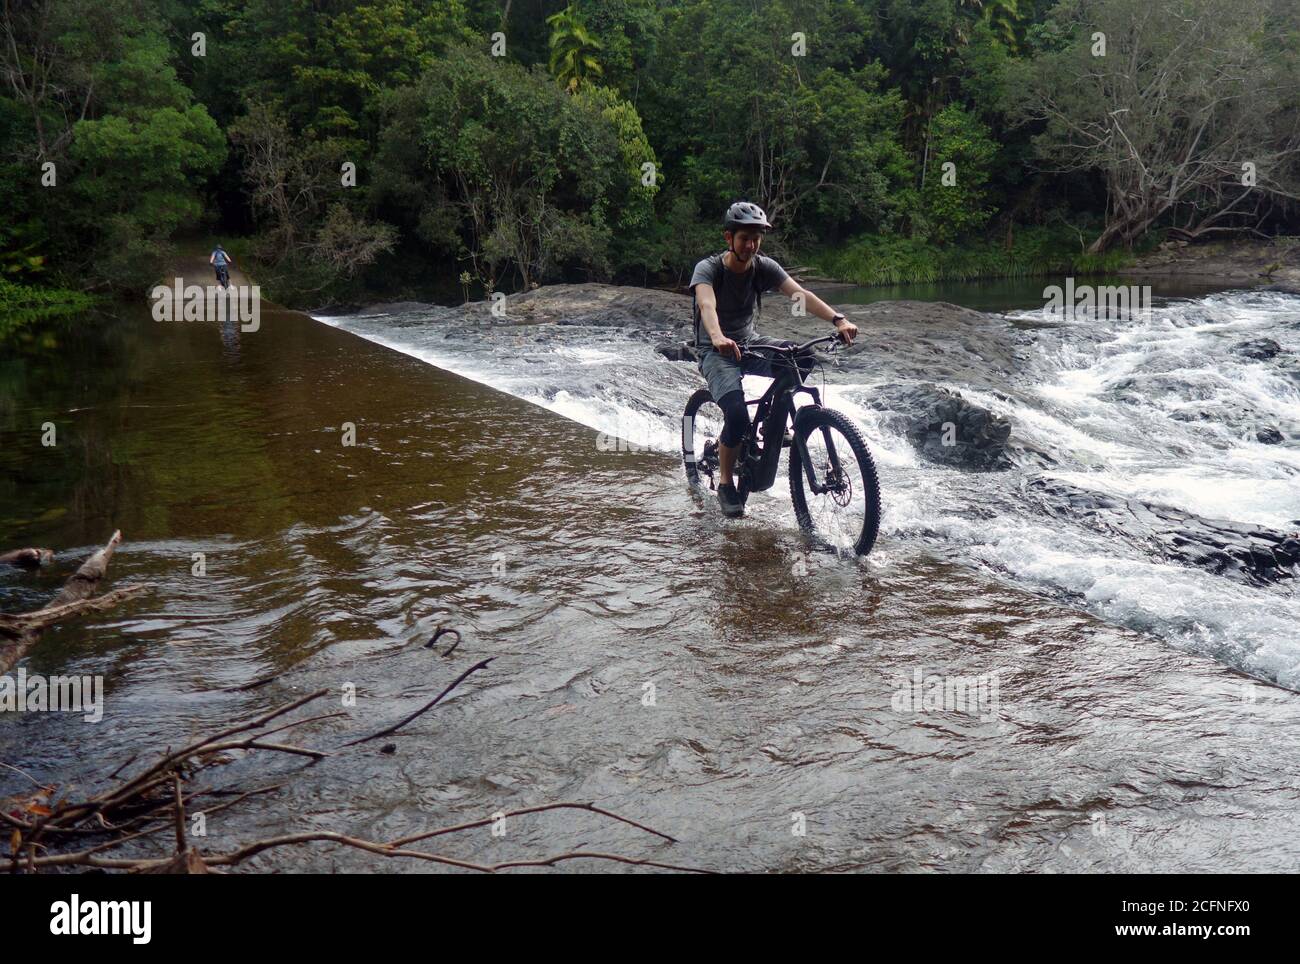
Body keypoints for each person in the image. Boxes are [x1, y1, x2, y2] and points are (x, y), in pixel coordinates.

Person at [691, 201, 858, 518]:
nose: (751, 245)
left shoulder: (763, 266)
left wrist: (838, 319)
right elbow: (706, 305)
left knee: (802, 356)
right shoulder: (709, 268)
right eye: (744, 238)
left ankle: (773, 421)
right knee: (737, 417)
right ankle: (726, 483)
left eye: (756, 238)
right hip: (715, 349)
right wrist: (716, 337)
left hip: (749, 343)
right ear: (729, 238)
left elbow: (800, 295)